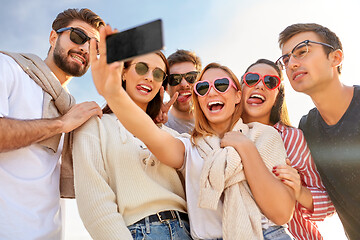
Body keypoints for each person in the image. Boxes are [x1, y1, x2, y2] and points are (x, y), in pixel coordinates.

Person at [89, 25, 295, 240]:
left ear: (237, 96)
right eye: (203, 88)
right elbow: (148, 132)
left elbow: (280, 213)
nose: (212, 91)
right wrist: (112, 93)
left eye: (222, 84)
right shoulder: (189, 147)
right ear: (199, 99)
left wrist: (245, 147)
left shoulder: (264, 136)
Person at [0, 8, 104, 240]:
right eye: (78, 36)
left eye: (94, 46)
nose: (85, 48)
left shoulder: (73, 110)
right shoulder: (8, 67)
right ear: (53, 37)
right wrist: (60, 124)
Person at [72, 50, 192, 240]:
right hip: (139, 232)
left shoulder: (172, 135)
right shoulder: (94, 126)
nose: (149, 77)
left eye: (158, 74)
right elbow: (94, 203)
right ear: (124, 72)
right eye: (142, 68)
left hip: (187, 231)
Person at [276, 23, 360, 239]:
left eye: (302, 51)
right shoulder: (307, 128)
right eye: (286, 60)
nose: (292, 64)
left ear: (335, 58)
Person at [241, 58, 336, 239]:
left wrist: (300, 191)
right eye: (252, 78)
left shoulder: (292, 138)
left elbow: (329, 203)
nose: (260, 85)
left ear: (278, 96)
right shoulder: (227, 135)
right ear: (241, 88)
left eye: (270, 82)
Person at [164, 49, 202, 133]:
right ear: (166, 87)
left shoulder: (215, 121)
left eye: (191, 77)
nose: (184, 84)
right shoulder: (160, 127)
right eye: (175, 79)